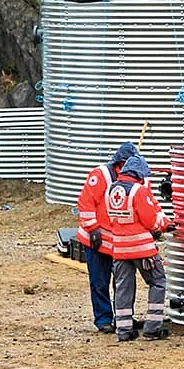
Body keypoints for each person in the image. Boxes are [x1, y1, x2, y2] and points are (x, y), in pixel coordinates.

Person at [105, 154, 173, 342]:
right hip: (142, 249)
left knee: (123, 288)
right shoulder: (138, 191)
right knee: (158, 282)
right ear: (138, 173)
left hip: (119, 249)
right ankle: (152, 328)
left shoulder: (111, 189)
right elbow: (150, 219)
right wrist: (166, 225)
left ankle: (124, 330)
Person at [75, 141, 137, 333]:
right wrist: (93, 228)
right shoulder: (101, 175)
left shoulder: (136, 179)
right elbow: (86, 203)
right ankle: (103, 319)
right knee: (99, 281)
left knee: (124, 282)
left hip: (119, 242)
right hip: (97, 240)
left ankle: (123, 317)